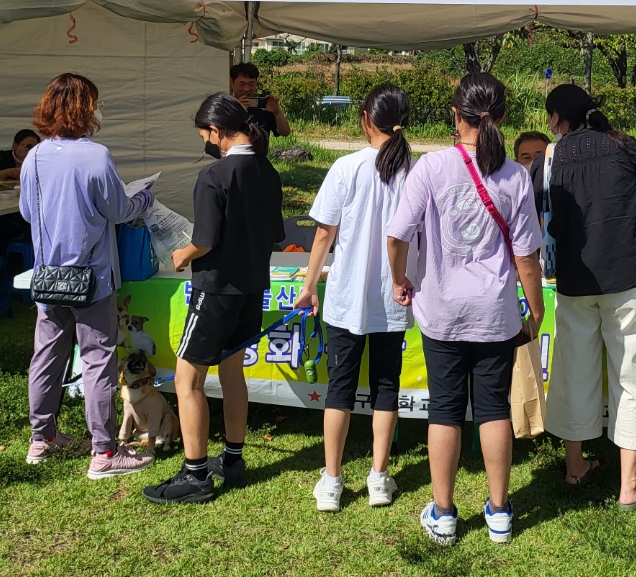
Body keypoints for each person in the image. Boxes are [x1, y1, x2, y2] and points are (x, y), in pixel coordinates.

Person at [387, 72, 545, 546]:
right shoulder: (516, 175)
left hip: (441, 310)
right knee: (494, 409)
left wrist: (399, 279)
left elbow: (396, 236)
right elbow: (527, 257)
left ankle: (443, 513)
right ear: (502, 117)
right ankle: (499, 512)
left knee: (445, 409)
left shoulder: (431, 167)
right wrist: (535, 311)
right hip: (495, 312)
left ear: (456, 115)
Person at [144, 93, 285, 505]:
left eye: (204, 135)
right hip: (252, 287)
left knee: (188, 380)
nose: (205, 142)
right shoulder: (268, 170)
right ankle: (233, 459)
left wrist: (181, 255)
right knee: (232, 372)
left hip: (216, 289)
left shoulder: (214, 175)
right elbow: (275, 234)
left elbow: (204, 241)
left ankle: (196, 474)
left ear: (217, 131)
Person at [535, 84, 636, 508]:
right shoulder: (625, 146)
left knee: (574, 373)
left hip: (573, 281)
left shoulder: (547, 158)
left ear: (557, 118)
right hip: (626, 277)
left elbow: (538, 220)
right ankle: (629, 484)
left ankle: (575, 466)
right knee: (632, 377)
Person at [21, 73, 156, 480]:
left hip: (49, 276)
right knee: (98, 359)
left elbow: (27, 212)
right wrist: (144, 197)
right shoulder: (96, 156)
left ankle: (41, 438)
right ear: (86, 110)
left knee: (47, 356)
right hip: (92, 277)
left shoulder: (34, 156)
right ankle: (104, 451)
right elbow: (118, 210)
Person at [294, 84, 414, 512]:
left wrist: (309, 287)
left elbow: (323, 234)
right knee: (386, 386)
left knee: (340, 389)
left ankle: (332, 480)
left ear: (366, 119)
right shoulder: (412, 171)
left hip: (347, 297)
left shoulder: (346, 167)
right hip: (393, 294)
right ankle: (379, 476)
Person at [230, 62, 291, 137]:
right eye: (242, 84)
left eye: (251, 84)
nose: (246, 89)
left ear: (256, 83)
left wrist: (277, 113)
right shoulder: (225, 106)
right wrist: (238, 111)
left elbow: (285, 132)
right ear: (232, 84)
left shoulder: (264, 107)